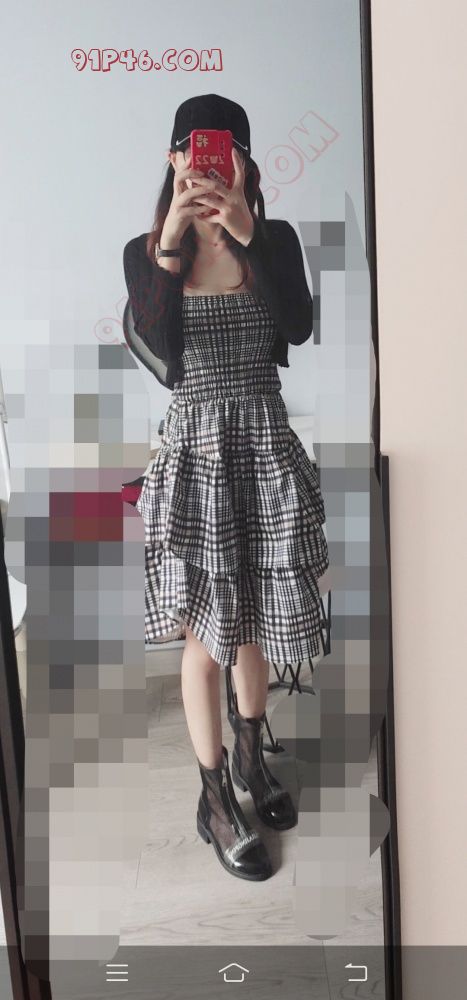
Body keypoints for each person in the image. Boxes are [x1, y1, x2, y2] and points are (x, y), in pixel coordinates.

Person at [123, 94, 330, 882]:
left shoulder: (272, 239)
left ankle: (250, 756)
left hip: (263, 444)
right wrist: (169, 247)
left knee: (255, 625)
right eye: (190, 148)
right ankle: (213, 799)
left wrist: (244, 231)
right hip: (197, 455)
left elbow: (297, 328)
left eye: (220, 150)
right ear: (173, 157)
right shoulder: (144, 250)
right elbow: (160, 354)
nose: (203, 162)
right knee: (205, 636)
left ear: (242, 159)